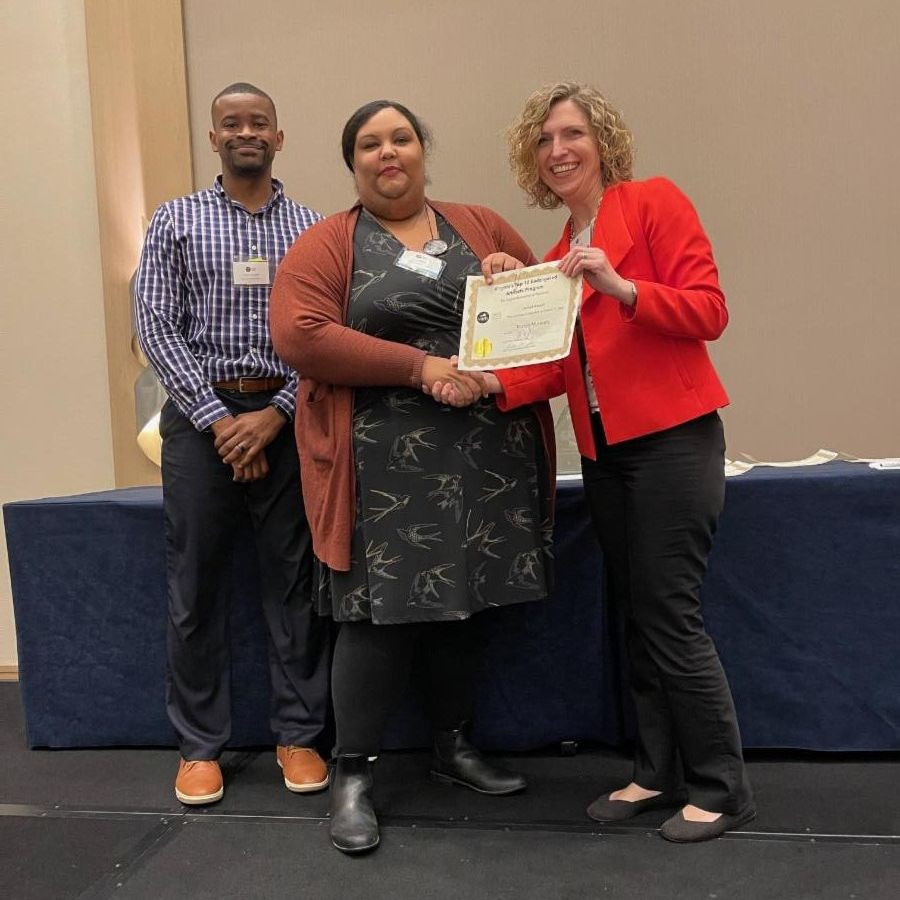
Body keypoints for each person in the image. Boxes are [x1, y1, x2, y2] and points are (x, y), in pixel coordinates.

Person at [443, 82, 755, 842]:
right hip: (608, 454)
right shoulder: (554, 261)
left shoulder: (651, 203)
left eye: (572, 133)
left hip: (675, 440)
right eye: (545, 140)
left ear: (602, 142)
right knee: (637, 614)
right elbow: (551, 367)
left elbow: (710, 309)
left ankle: (721, 785)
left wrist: (621, 287)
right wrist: (487, 377)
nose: (559, 150)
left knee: (670, 616)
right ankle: (655, 772)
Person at [270, 100, 555, 854]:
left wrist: (511, 277)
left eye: (400, 138)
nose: (387, 152)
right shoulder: (328, 243)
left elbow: (550, 317)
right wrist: (419, 365)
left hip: (482, 455)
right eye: (369, 144)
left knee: (463, 602)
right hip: (377, 464)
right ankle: (354, 776)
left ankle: (454, 749)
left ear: (422, 150)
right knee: (373, 616)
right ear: (353, 163)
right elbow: (299, 335)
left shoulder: (482, 226)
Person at [134, 82, 331, 806]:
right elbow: (155, 326)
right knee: (195, 587)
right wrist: (220, 421)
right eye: (230, 123)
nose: (245, 132)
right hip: (198, 423)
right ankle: (199, 748)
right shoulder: (173, 221)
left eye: (259, 122)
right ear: (212, 139)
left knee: (296, 586)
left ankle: (300, 737)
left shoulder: (314, 229)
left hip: (287, 419)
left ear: (279, 137)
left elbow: (324, 332)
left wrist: (275, 412)